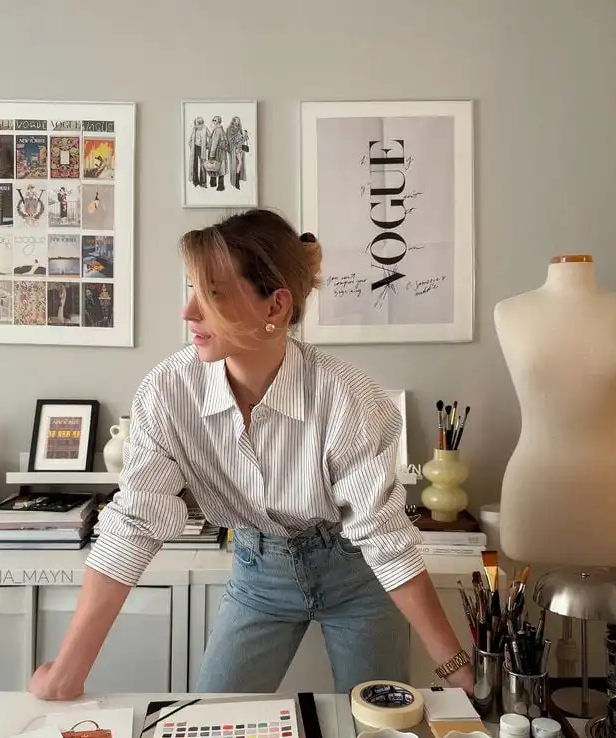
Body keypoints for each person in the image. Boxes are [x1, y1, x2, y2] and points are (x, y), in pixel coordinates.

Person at [28, 209, 475, 701]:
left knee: (375, 730)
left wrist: (457, 668)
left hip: (356, 576)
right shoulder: (169, 391)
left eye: (212, 293)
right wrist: (67, 672)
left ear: (276, 306)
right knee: (211, 718)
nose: (188, 311)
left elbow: (386, 540)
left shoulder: (344, 395)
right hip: (258, 575)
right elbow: (133, 523)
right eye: (192, 289)